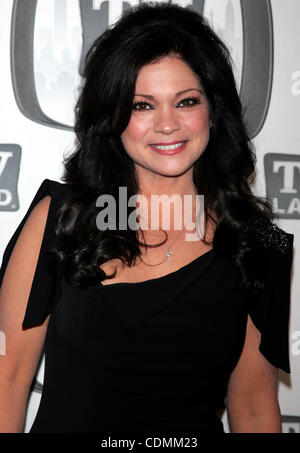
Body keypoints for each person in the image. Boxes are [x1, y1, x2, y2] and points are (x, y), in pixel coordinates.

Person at [0, 2, 294, 434]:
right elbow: (6, 382)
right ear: (114, 116)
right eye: (142, 105)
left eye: (186, 101)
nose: (167, 124)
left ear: (213, 110)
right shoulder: (61, 219)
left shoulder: (257, 244)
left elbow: (252, 406)